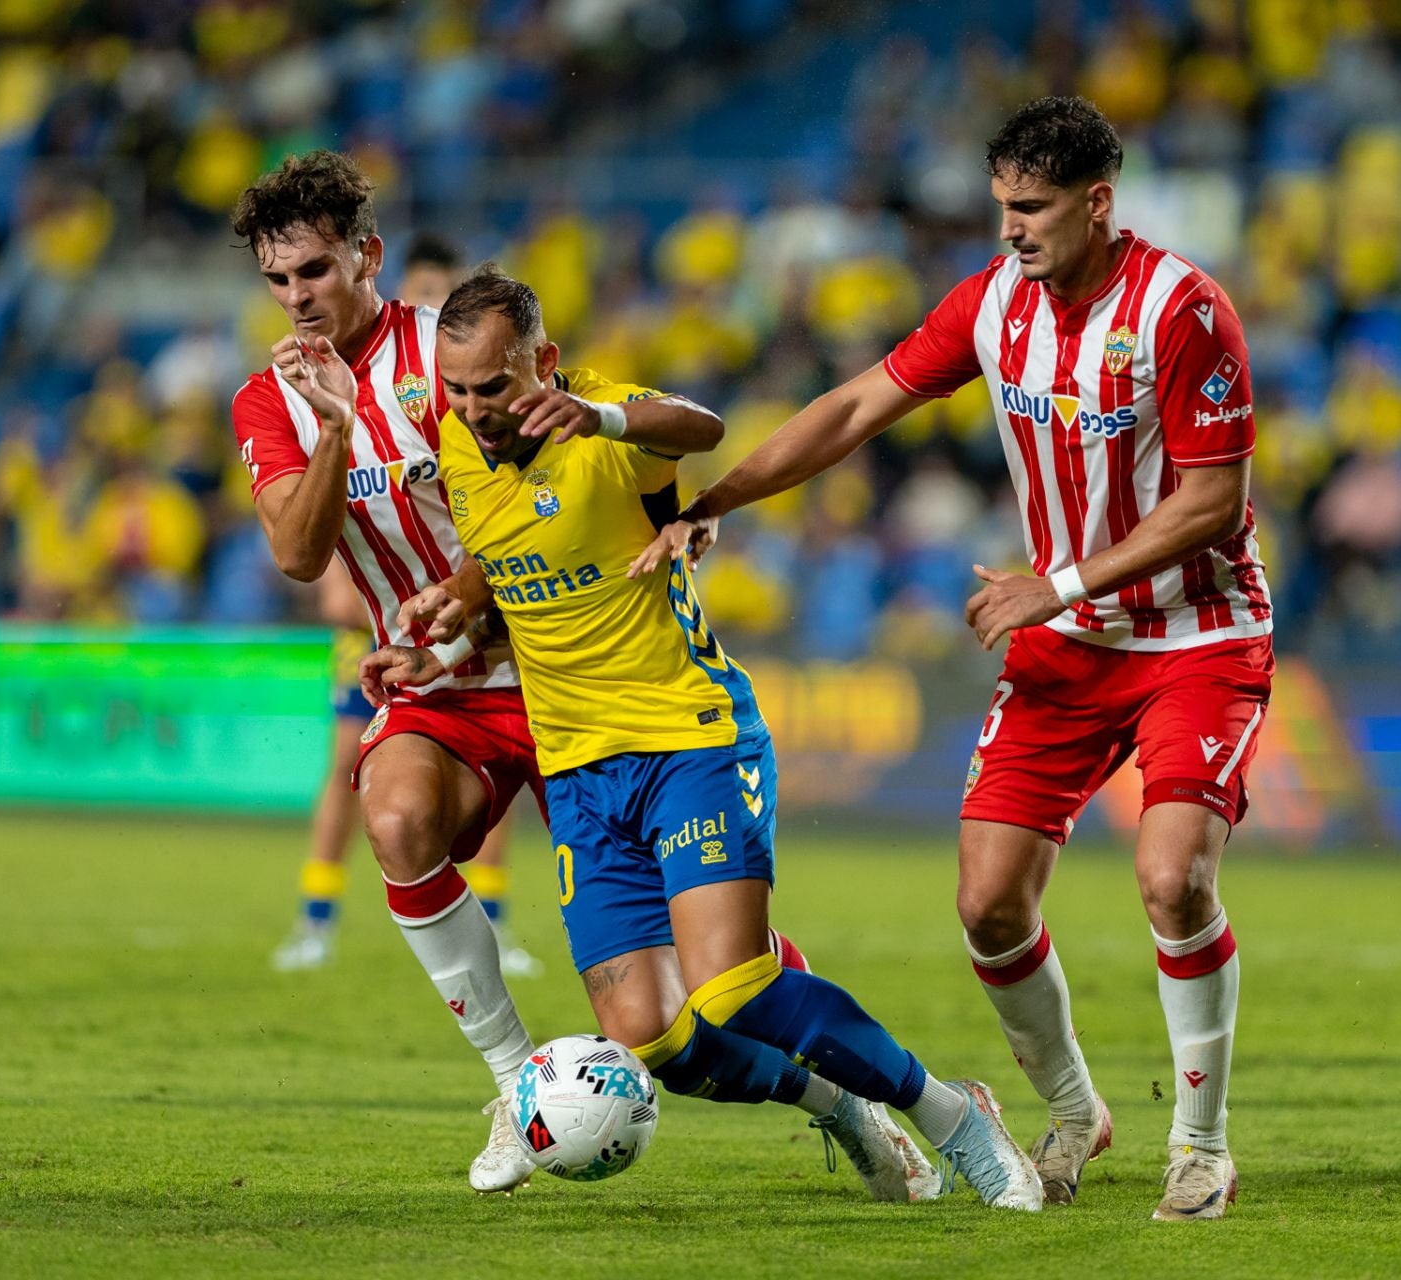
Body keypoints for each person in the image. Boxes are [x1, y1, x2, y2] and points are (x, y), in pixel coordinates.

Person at [660, 97, 1272, 1221]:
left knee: (1173, 871)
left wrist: (1062, 581)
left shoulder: (1185, 310)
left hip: (1196, 636)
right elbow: (855, 405)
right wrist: (721, 500)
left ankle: (1202, 1143)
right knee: (989, 904)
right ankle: (1078, 1111)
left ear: (1098, 201)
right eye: (1001, 207)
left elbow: (1214, 499)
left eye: (1032, 209)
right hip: (1064, 650)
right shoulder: (995, 304)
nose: (1011, 231)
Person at [364, 266, 1043, 1211]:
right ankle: (841, 1106)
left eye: (497, 386)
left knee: (731, 988)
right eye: (461, 390)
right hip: (578, 772)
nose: (476, 409)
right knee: (654, 1041)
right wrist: (449, 622)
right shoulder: (459, 446)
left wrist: (598, 419)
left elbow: (701, 427)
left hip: (687, 736)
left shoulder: (603, 424)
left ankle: (953, 1113)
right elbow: (507, 549)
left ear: (544, 365)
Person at [228, 152, 545, 1193]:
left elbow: (540, 500)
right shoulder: (269, 400)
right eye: (277, 281)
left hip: (559, 663)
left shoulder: (454, 349)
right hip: (437, 688)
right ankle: (516, 1085)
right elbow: (298, 554)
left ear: (367, 254)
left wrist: (459, 613)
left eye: (313, 271)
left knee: (675, 987)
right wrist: (332, 428)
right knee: (395, 817)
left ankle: (863, 1098)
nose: (296, 298)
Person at [273, 236, 543, 981]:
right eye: (280, 278)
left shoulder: (461, 380)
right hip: (386, 642)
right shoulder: (298, 390)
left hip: (502, 631)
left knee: (509, 795)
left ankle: (495, 917)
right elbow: (316, 569)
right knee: (352, 775)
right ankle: (316, 914)